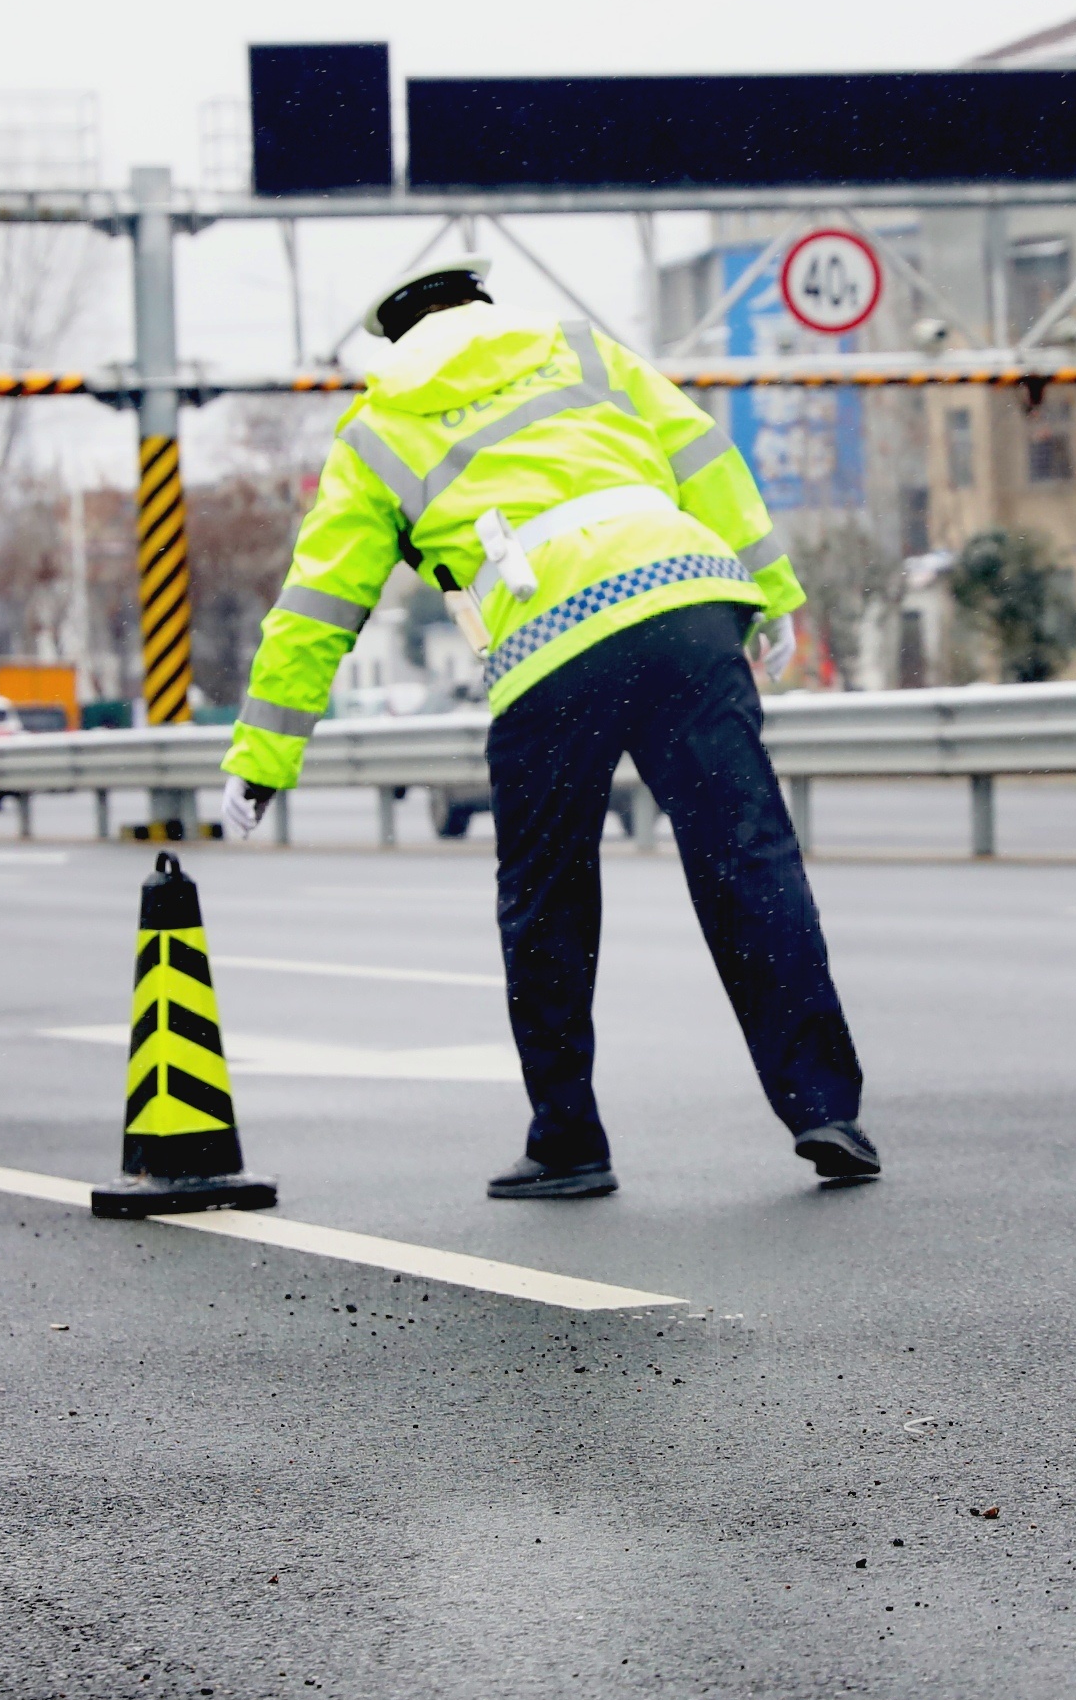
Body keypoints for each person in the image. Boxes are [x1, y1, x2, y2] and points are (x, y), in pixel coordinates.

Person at [221, 260, 874, 1198]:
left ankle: (568, 1139)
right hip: (688, 602)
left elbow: (321, 605)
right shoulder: (582, 352)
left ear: (397, 338)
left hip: (552, 640)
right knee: (747, 857)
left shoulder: (377, 430)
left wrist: (263, 752)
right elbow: (704, 460)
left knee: (548, 895)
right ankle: (825, 1109)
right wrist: (771, 596)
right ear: (485, 306)